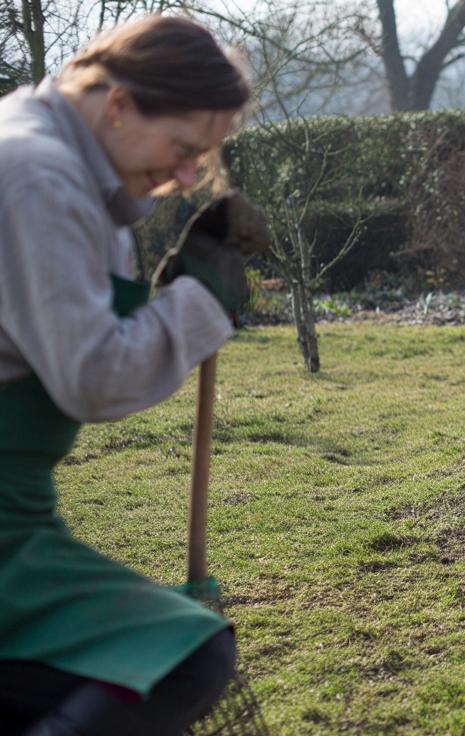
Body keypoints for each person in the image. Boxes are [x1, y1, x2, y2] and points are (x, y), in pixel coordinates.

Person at [0, 15, 258, 734]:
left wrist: (176, 292)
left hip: (16, 515)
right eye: (182, 149)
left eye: (199, 158)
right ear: (118, 105)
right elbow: (96, 374)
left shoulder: (60, 165)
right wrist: (203, 301)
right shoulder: (35, 175)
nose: (184, 176)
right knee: (180, 657)